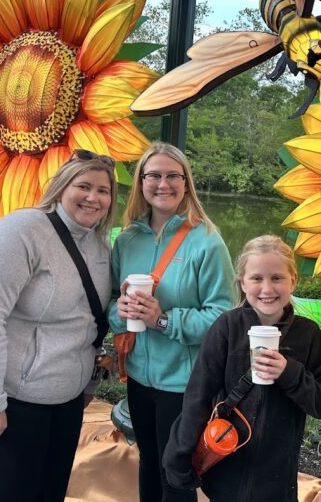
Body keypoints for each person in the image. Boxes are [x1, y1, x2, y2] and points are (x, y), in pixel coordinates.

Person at [0, 150, 117, 502]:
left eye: (103, 190)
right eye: (83, 186)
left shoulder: (100, 248)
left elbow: (89, 322)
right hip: (6, 395)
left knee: (48, 493)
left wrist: (89, 380)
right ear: (61, 187)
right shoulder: (18, 232)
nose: (93, 197)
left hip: (64, 399)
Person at [162, 235, 321, 502]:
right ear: (243, 283)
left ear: (293, 280)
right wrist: (179, 455)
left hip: (278, 484)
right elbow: (198, 395)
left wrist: (289, 373)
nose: (267, 288)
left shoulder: (308, 335)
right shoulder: (227, 328)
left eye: (277, 278)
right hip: (225, 475)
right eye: (257, 278)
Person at [108, 141, 236, 502]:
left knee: (175, 475)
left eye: (172, 176)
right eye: (153, 176)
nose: (163, 184)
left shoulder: (207, 242)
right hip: (138, 378)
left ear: (185, 182)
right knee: (149, 464)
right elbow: (110, 304)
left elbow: (223, 318)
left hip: (185, 384)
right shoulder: (127, 239)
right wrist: (121, 312)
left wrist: (162, 320)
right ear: (141, 182)